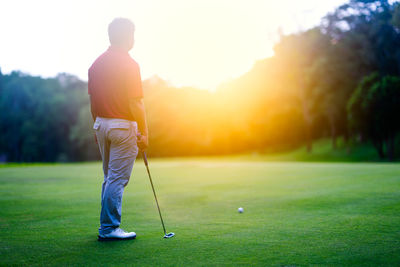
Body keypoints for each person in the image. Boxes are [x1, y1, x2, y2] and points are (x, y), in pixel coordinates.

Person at [88, 18, 148, 241]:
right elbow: (136, 103)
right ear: (129, 37)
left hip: (101, 123)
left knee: (109, 177)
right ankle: (109, 228)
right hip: (122, 126)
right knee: (116, 179)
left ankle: (107, 227)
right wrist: (145, 132)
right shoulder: (129, 64)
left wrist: (97, 127)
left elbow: (93, 101)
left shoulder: (96, 64)